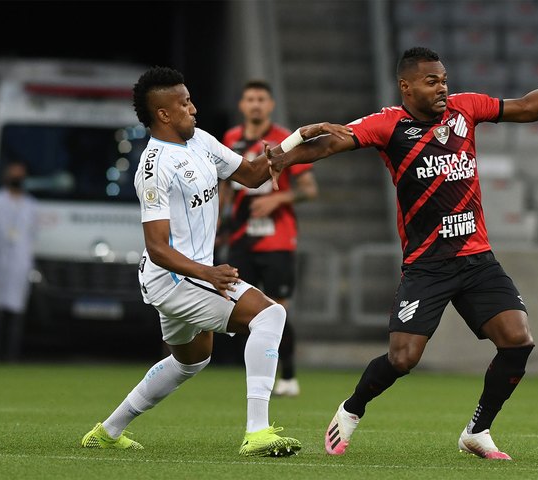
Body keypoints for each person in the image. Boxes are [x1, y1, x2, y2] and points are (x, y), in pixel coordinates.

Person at [266, 47, 538, 459]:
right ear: (406, 86)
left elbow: (528, 108)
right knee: (403, 359)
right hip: (427, 266)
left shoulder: (466, 108)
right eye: (431, 81)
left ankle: (478, 430)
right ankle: (351, 409)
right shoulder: (388, 124)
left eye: (444, 79)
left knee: (517, 341)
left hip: (477, 260)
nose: (443, 87)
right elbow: (333, 142)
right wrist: (286, 157)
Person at [79, 66, 350, 456]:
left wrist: (297, 139)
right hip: (173, 276)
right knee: (270, 315)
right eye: (184, 103)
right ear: (164, 114)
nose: (194, 108)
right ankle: (257, 432)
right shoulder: (153, 168)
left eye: (191, 99)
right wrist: (208, 272)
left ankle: (107, 431)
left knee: (190, 361)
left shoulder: (200, 141)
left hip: (186, 275)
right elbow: (157, 246)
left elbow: (255, 175)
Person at [218, 80, 318, 397]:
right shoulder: (231, 139)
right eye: (250, 99)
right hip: (240, 237)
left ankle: (288, 375)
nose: (256, 104)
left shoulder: (284, 140)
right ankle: (250, 372)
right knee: (235, 305)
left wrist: (278, 199)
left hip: (277, 239)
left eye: (261, 99)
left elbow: (309, 189)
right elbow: (225, 186)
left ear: (271, 105)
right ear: (242, 105)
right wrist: (218, 220)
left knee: (277, 307)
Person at [0, 161, 38, 362]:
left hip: (19, 267)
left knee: (15, 318)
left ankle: (11, 359)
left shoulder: (30, 206)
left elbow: (32, 235)